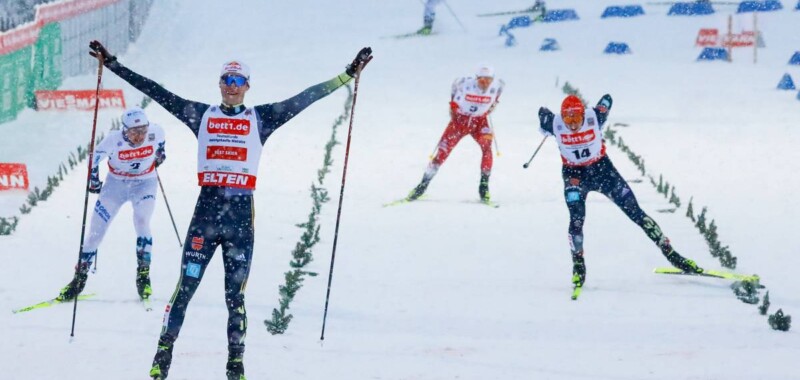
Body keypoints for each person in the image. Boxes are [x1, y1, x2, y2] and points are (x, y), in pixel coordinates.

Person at [87, 40, 372, 380]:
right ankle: (163, 355)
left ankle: (235, 364)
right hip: (205, 214)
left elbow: (304, 99)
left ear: (247, 86)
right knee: (184, 288)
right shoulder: (201, 115)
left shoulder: (260, 118)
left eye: (238, 82)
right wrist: (114, 65)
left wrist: (347, 75)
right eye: (227, 80)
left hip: (239, 218)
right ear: (220, 84)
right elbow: (158, 92)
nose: (232, 87)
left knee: (234, 296)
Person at [537, 94, 704, 290]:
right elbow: (542, 114)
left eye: (576, 118)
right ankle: (578, 265)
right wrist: (545, 114)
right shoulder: (554, 123)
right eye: (567, 119)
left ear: (583, 114)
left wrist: (604, 104)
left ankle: (672, 255)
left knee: (636, 213)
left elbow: (607, 100)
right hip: (575, 176)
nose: (572, 124)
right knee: (576, 219)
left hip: (602, 171)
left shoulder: (594, 117)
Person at [56, 106, 166, 303]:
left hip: (144, 183)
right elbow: (93, 159)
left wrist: (159, 157)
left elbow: (161, 148)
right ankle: (78, 280)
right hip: (116, 185)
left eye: (143, 131)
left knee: (142, 221)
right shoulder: (113, 139)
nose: (140, 136)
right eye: (134, 132)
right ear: (125, 130)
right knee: (95, 234)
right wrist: (94, 180)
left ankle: (143, 276)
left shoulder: (156, 131)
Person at [407, 66, 504, 203]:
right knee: (442, 153)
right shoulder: (466, 83)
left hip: (480, 122)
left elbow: (498, 94)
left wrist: (492, 106)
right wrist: (452, 105)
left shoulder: (497, 86)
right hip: (459, 122)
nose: (485, 83)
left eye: (489, 80)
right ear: (477, 79)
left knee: (487, 149)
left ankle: (484, 186)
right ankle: (422, 185)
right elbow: (455, 85)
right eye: (482, 80)